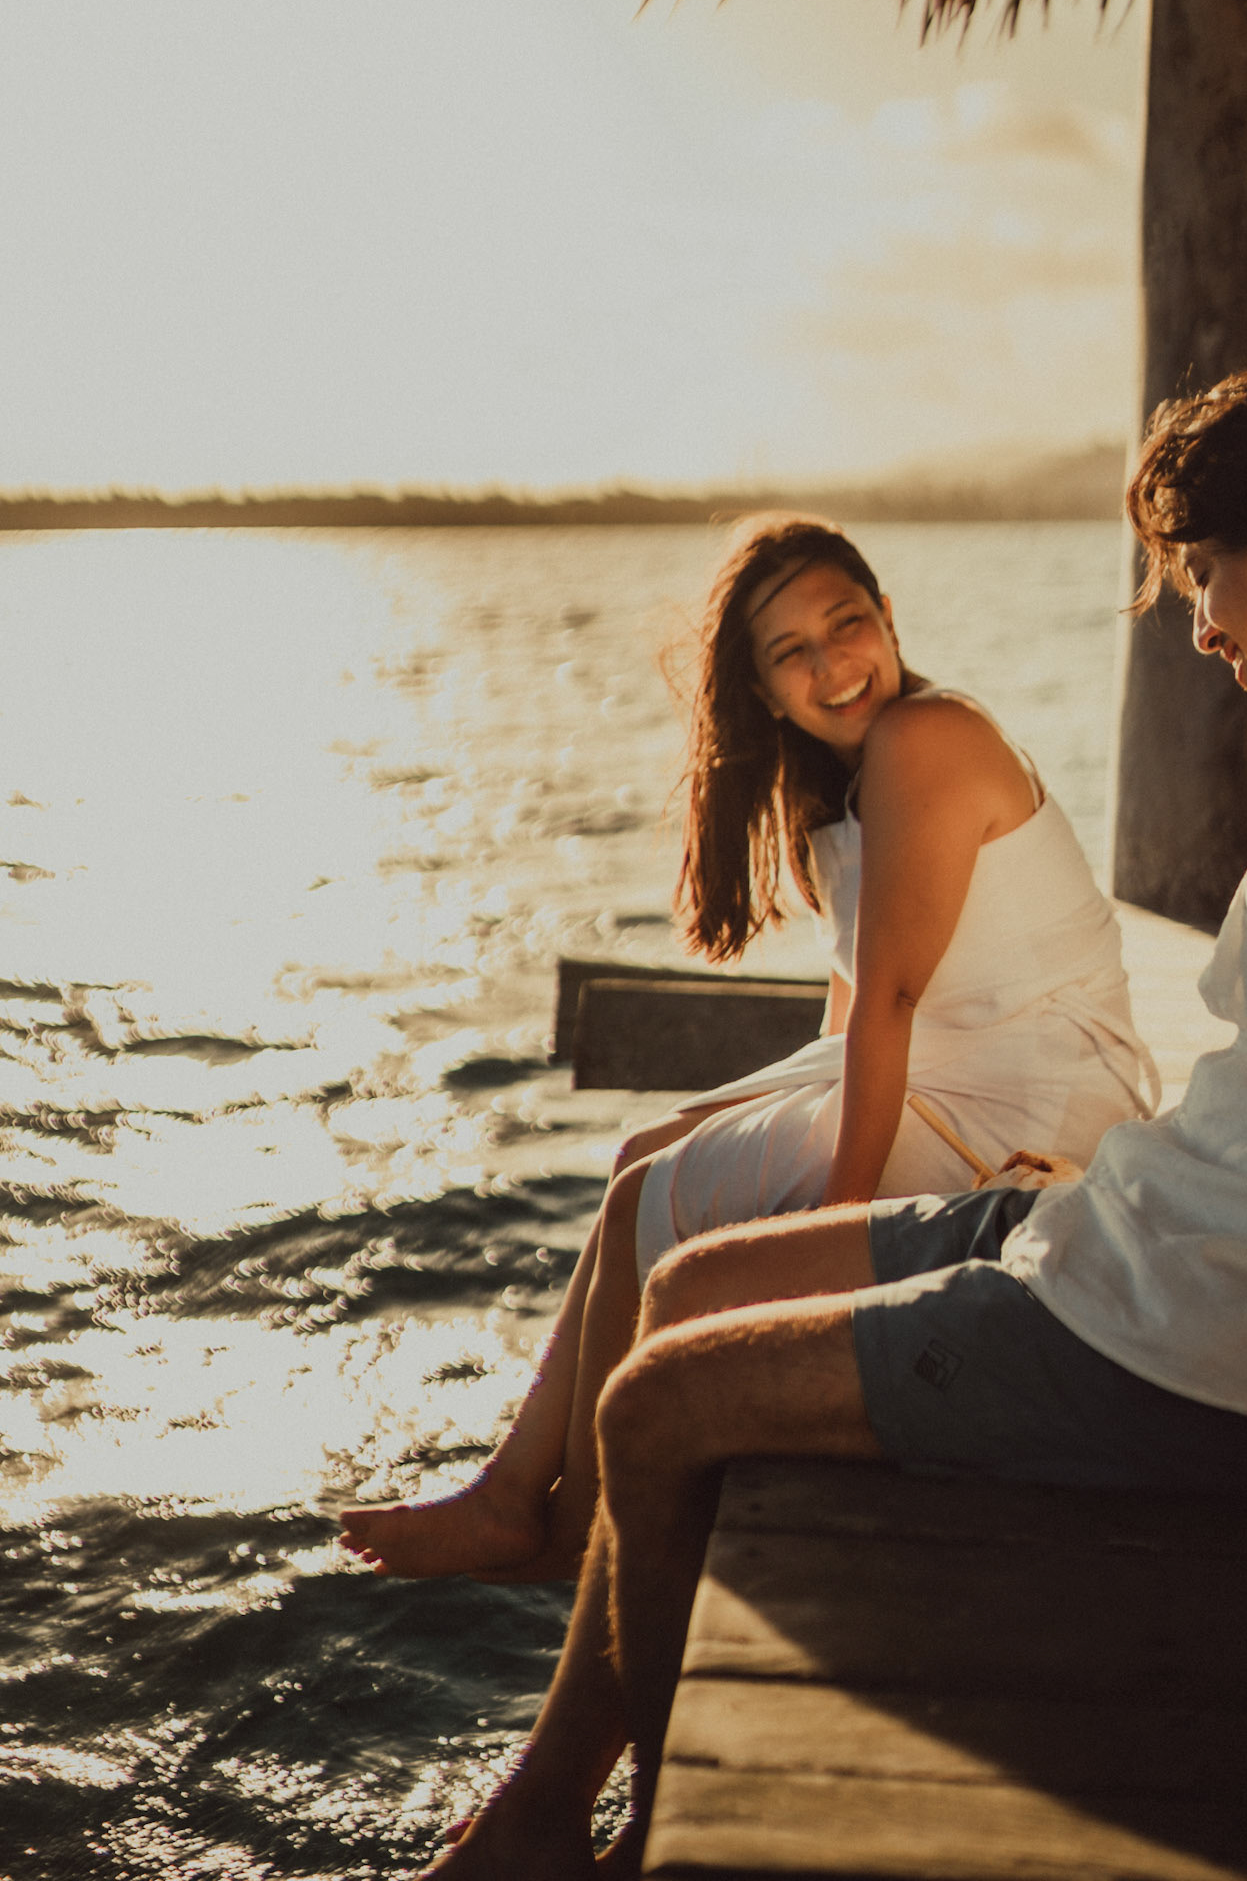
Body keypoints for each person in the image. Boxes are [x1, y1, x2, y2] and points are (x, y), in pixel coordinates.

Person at [410, 365, 1247, 1881]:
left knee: (658, 1407)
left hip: (1192, 1348)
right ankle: (547, 1807)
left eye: (1202, 571)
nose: (1196, 620)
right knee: (677, 1292)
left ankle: (594, 1830)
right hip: (1120, 1231)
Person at [341, 514, 1152, 1582]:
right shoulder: (845, 788)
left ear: (889, 617)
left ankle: (573, 1530)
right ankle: (512, 1490)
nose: (832, 663)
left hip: (1032, 1105)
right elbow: (851, 1006)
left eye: (848, 623)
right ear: (763, 691)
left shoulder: (927, 738)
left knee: (645, 1203)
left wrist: (838, 1222)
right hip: (963, 1074)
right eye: (792, 651)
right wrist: (751, 1134)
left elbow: (891, 1005)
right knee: (645, 1154)